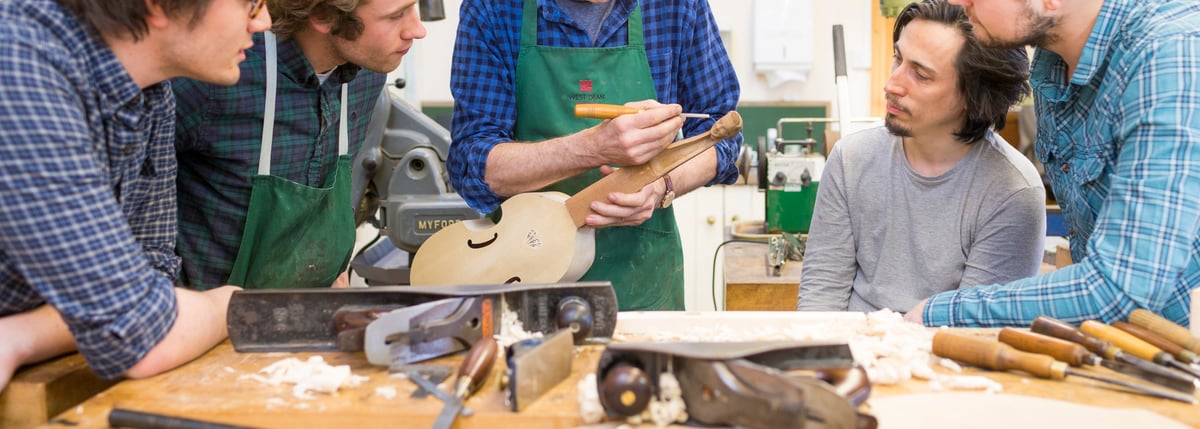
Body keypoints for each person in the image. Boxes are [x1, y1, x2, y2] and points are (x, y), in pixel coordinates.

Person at [0, 0, 270, 391]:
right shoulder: (19, 63)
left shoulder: (150, 94)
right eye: (251, 3)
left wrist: (21, 337)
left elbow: (149, 280)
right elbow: (146, 335)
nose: (264, 21)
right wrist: (229, 303)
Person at [906, 0, 1200, 327]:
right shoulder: (1052, 66)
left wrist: (940, 313)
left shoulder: (1172, 55)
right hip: (1131, 347)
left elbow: (1123, 289)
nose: (956, 3)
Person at [445, 0, 742, 311]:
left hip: (642, 282)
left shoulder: (677, 6)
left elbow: (721, 140)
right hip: (523, 274)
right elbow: (473, 164)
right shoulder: (493, 8)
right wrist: (591, 148)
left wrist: (661, 185)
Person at [798, 0, 1045, 313]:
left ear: (974, 97)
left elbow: (972, 331)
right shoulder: (851, 159)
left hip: (944, 358)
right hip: (846, 353)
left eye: (921, 75)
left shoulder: (1013, 191)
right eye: (898, 59)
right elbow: (820, 301)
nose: (892, 84)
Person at [172, 0, 427, 290]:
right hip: (204, 321)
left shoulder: (368, 73)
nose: (417, 31)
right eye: (395, 16)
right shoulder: (217, 74)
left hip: (310, 312)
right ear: (322, 15)